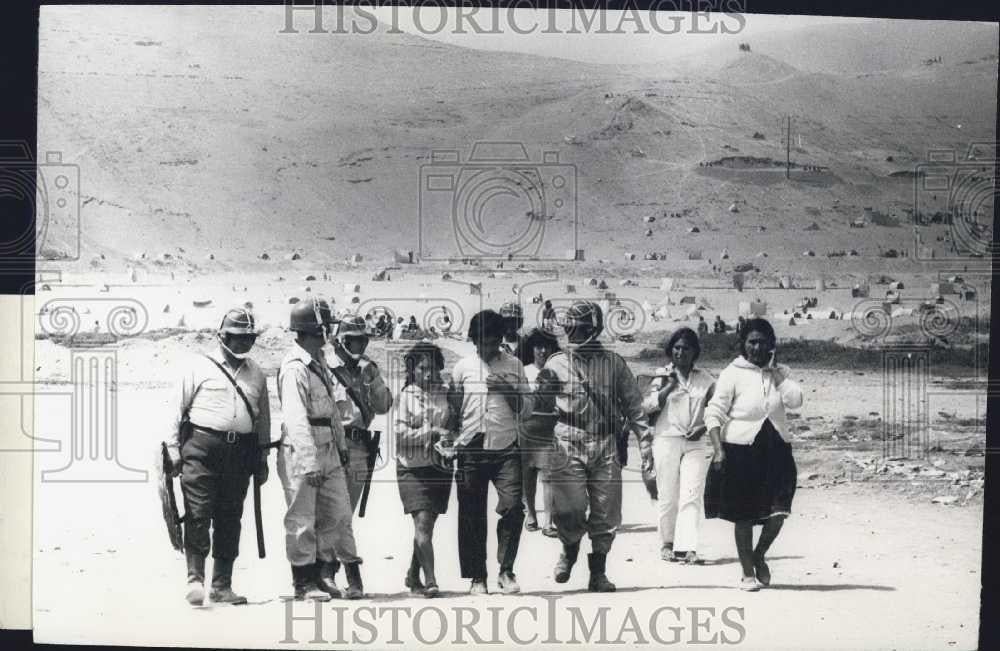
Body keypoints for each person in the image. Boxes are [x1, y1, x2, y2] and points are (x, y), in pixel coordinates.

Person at [535, 301, 650, 592]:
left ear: (593, 330)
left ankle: (597, 572)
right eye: (570, 328)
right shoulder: (555, 364)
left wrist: (645, 445)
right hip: (567, 442)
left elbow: (635, 408)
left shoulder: (614, 364)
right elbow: (538, 410)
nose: (574, 334)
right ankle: (569, 550)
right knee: (569, 508)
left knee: (606, 510)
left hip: (605, 444)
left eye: (580, 329)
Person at [163, 307, 271, 606]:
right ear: (222, 336)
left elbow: (263, 419)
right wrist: (172, 450)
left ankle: (222, 585)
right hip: (201, 449)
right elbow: (173, 409)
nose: (244, 343)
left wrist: (261, 459)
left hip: (240, 454)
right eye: (238, 337)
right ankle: (195, 578)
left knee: (230, 517)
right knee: (198, 513)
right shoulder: (198, 367)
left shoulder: (257, 373)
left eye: (249, 337)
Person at [703, 318, 803, 591]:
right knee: (743, 514)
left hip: (776, 448)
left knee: (779, 511)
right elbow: (713, 412)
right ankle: (747, 572)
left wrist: (776, 373)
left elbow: (795, 401)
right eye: (752, 342)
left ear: (772, 345)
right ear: (743, 344)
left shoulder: (781, 372)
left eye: (762, 342)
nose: (757, 347)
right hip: (739, 451)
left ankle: (759, 554)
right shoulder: (732, 372)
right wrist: (718, 449)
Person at [277, 298, 365, 601]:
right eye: (324, 326)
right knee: (302, 517)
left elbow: (331, 414)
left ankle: (323, 571)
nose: (327, 332)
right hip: (304, 450)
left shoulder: (319, 363)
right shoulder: (295, 368)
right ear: (314, 328)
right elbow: (296, 418)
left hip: (328, 446)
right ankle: (304, 580)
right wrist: (309, 460)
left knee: (337, 513)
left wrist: (340, 448)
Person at [441, 309, 533, 595]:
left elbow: (527, 409)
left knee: (513, 508)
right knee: (471, 513)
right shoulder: (462, 367)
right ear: (473, 340)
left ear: (500, 339)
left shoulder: (515, 365)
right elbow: (453, 410)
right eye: (481, 342)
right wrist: (447, 439)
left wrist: (507, 389)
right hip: (471, 447)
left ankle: (506, 571)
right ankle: (477, 576)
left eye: (492, 342)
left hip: (506, 447)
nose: (487, 348)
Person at [326, 314, 393, 587]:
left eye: (362, 339)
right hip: (331, 444)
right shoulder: (326, 367)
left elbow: (384, 405)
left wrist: (372, 378)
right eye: (353, 340)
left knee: (344, 513)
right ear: (340, 341)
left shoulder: (368, 369)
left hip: (358, 446)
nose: (359, 345)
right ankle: (343, 572)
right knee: (333, 512)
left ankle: (330, 572)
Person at [642, 328, 715, 564]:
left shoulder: (706, 379)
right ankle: (667, 542)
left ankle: (688, 547)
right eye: (677, 347)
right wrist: (669, 387)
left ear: (695, 351)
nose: (681, 352)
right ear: (670, 350)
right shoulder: (661, 377)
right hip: (666, 439)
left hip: (695, 442)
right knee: (667, 494)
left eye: (686, 348)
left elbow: (717, 411)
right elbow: (647, 407)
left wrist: (703, 428)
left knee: (691, 493)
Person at [394, 342, 454, 597]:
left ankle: (412, 572)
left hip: (441, 466)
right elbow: (399, 434)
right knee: (422, 522)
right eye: (422, 368)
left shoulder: (446, 393)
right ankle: (430, 580)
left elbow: (454, 425)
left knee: (427, 527)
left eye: (433, 368)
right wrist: (429, 432)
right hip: (413, 468)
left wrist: (451, 439)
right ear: (413, 370)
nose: (428, 374)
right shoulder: (406, 396)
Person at [515, 327, 561, 538]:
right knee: (527, 475)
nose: (542, 350)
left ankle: (549, 522)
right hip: (525, 428)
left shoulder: (558, 371)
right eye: (538, 346)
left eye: (546, 346)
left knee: (549, 476)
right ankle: (531, 515)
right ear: (531, 348)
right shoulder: (523, 371)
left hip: (549, 429)